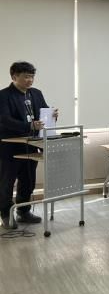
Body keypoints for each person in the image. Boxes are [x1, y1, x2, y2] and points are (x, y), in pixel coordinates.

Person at [0, 61, 57, 229]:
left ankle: (23, 211)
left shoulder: (36, 93)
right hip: (9, 146)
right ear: (14, 77)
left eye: (32, 76)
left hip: (31, 144)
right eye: (26, 77)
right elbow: (4, 119)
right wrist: (29, 126)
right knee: (6, 182)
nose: (30, 80)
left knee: (28, 180)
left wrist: (52, 114)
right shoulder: (4, 95)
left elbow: (43, 113)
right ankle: (6, 214)